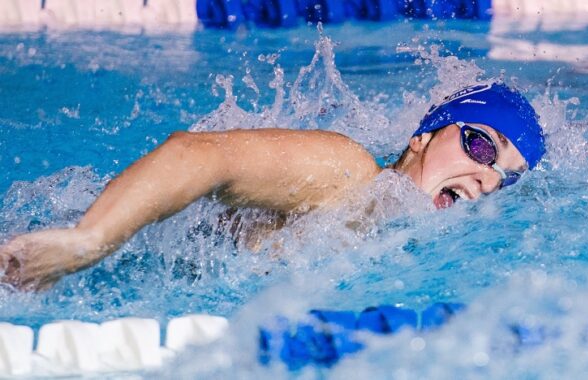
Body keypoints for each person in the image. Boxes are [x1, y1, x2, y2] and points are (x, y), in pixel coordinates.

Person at [0, 82, 545, 291]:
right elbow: (196, 154)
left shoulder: (418, 248)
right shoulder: (349, 174)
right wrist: (85, 244)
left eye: (504, 177)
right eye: (480, 146)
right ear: (423, 136)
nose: (484, 178)